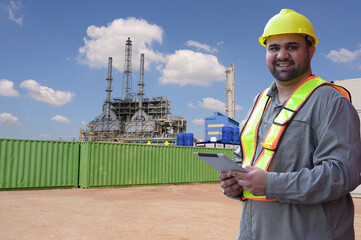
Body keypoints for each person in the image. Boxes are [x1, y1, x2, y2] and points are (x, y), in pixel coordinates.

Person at [220, 9, 361, 240]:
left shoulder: (329, 101)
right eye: (274, 48)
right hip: (255, 231)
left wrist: (271, 183)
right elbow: (244, 160)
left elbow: (342, 174)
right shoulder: (259, 101)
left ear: (311, 50)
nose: (282, 54)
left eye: (292, 47)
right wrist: (233, 183)